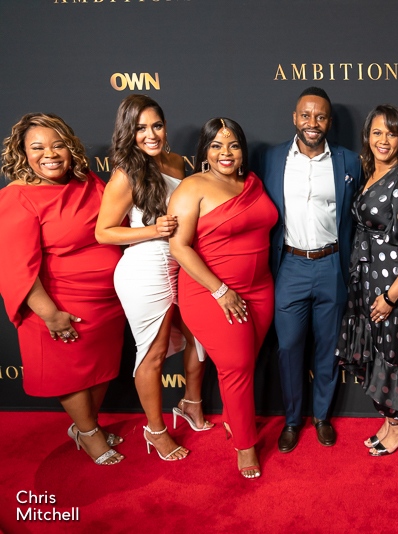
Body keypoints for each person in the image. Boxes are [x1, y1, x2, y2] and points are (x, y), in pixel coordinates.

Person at [0, 113, 126, 465]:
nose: (50, 154)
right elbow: (15, 266)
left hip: (106, 302)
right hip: (60, 304)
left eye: (58, 145)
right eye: (37, 147)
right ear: (23, 153)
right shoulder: (17, 197)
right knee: (71, 376)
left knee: (100, 369)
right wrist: (50, 314)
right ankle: (88, 433)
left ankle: (86, 427)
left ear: (71, 149)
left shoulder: (88, 181)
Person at [96, 95, 211, 462]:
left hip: (182, 264)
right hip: (145, 270)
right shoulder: (124, 174)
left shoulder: (176, 162)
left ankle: (191, 403)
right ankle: (155, 430)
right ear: (128, 132)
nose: (151, 134)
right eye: (141, 128)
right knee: (153, 354)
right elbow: (103, 232)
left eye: (156, 126)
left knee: (199, 338)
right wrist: (152, 230)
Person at [169, 118, 277, 479]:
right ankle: (245, 446)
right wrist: (220, 290)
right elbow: (179, 247)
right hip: (212, 293)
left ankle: (233, 418)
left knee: (245, 362)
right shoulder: (192, 187)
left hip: (259, 289)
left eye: (232, 145)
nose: (225, 153)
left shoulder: (253, 183)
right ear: (205, 151)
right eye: (216, 145)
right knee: (237, 368)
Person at [262, 87, 362, 453]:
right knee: (289, 346)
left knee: (328, 347)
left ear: (329, 122)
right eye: (306, 115)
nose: (312, 123)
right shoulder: (271, 158)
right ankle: (292, 420)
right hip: (289, 265)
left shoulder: (349, 162)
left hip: (331, 264)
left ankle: (321, 416)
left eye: (320, 117)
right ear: (295, 118)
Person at [336, 104, 398, 456]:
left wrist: (392, 296)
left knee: (394, 351)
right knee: (379, 351)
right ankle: (389, 419)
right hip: (367, 280)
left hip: (393, 286)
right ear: (367, 136)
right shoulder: (371, 174)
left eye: (391, 133)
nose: (383, 140)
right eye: (377, 132)